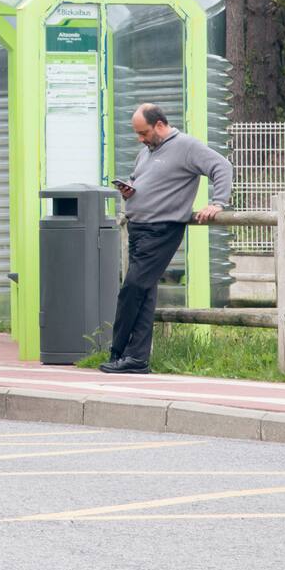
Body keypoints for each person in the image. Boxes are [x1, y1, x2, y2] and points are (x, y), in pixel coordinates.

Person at [101, 103, 233, 374]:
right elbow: (142, 180)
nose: (140, 139)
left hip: (161, 230)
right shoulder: (147, 151)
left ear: (159, 125)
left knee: (132, 289)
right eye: (137, 134)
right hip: (139, 227)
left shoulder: (186, 146)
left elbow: (221, 166)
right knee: (144, 293)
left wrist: (217, 202)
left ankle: (118, 351)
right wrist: (130, 191)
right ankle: (136, 359)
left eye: (144, 132)